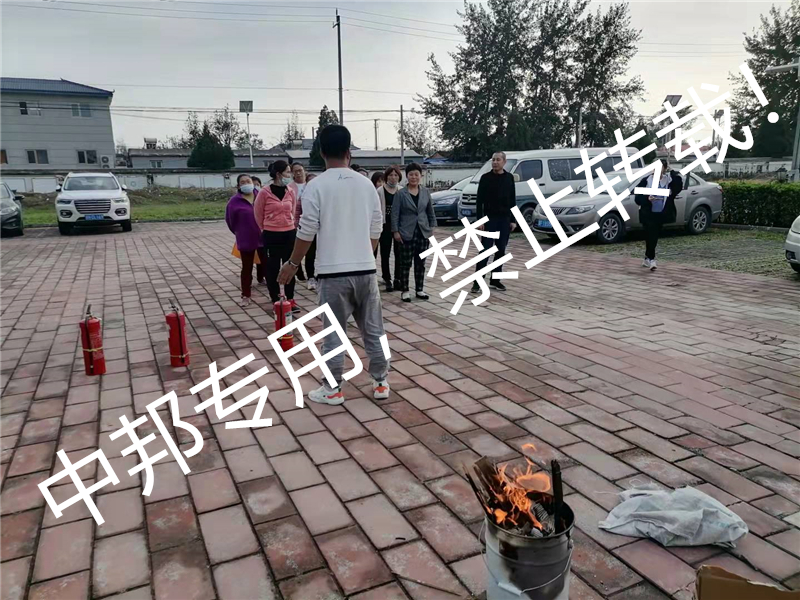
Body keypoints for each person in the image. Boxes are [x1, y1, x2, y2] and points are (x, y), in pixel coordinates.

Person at [277, 124, 390, 404]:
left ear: (321, 152)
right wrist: (364, 254)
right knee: (374, 331)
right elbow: (377, 225)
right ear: (349, 152)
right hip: (366, 271)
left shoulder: (316, 186)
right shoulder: (366, 185)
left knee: (334, 335)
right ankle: (380, 383)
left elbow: (307, 230)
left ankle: (333, 389)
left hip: (332, 274)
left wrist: (292, 263)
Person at [254, 160, 299, 310]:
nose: (290, 175)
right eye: (287, 172)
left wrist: (288, 224)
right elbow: (258, 214)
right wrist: (267, 227)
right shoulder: (264, 192)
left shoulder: (290, 191)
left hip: (289, 233)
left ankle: (290, 299)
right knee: (272, 268)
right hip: (271, 234)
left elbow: (292, 211)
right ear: (279, 174)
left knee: (290, 266)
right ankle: (275, 298)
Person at [470, 151, 517, 294]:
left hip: (504, 220)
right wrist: (480, 220)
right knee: (485, 250)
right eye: (493, 160)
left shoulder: (509, 178)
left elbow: (512, 199)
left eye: (498, 160)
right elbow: (479, 201)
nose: (495, 162)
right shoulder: (485, 178)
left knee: (500, 250)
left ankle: (495, 280)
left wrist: (513, 220)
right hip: (489, 219)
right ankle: (477, 282)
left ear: (504, 162)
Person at [392, 162, 436, 302]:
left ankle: (419, 289)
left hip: (423, 232)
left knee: (421, 263)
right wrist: (395, 231)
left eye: (416, 174)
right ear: (407, 176)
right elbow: (395, 214)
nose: (414, 177)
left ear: (420, 176)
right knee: (405, 263)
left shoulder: (425, 192)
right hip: (406, 232)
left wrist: (432, 227)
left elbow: (430, 211)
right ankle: (405, 290)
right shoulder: (400, 194)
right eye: (411, 174)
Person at [226, 174, 267, 307]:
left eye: (248, 181)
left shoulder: (261, 195)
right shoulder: (234, 201)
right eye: (242, 182)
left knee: (267, 265)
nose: (246, 184)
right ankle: (246, 295)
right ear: (238, 186)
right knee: (247, 268)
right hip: (245, 238)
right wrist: (240, 232)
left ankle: (275, 293)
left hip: (263, 237)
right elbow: (230, 221)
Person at [635, 159, 682, 271]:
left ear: (664, 169)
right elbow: (637, 198)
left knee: (653, 236)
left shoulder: (668, 181)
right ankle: (652, 259)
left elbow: (678, 186)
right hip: (648, 213)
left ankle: (647, 258)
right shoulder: (646, 181)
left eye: (660, 167)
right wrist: (647, 198)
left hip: (661, 213)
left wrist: (672, 171)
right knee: (650, 235)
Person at [377, 165, 402, 292]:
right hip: (385, 224)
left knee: (399, 252)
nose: (393, 177)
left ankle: (398, 278)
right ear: (386, 177)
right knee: (385, 252)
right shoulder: (380, 191)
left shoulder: (402, 190)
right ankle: (387, 278)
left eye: (396, 175)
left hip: (398, 225)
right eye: (391, 175)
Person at [291, 164, 308, 281]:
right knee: (296, 247)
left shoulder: (311, 185)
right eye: (295, 171)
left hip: (310, 219)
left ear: (304, 171)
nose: (298, 173)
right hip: (295, 222)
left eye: (300, 170)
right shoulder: (290, 187)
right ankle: (299, 271)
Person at [302, 172, 319, 291]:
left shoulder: (325, 195)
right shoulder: (304, 197)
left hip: (323, 231)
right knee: (310, 255)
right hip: (309, 230)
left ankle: (321, 276)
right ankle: (311, 277)